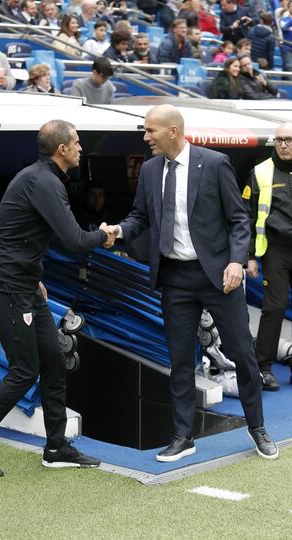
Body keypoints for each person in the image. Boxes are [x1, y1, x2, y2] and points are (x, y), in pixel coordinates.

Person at [105, 104, 279, 462]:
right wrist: (119, 230)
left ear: (173, 131)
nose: (145, 137)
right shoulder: (151, 170)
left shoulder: (214, 163)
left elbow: (239, 219)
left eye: (150, 130)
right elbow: (140, 216)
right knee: (180, 360)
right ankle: (183, 436)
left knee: (243, 356)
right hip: (175, 278)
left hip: (217, 276)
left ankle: (257, 427)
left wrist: (235, 260)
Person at [0, 119, 114, 478]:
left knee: (53, 362)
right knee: (25, 370)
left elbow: (20, 235)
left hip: (24, 285)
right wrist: (103, 235)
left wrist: (32, 275)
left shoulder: (41, 178)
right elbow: (72, 241)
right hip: (9, 290)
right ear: (62, 149)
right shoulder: (44, 182)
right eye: (77, 142)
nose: (81, 148)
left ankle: (56, 447)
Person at [244, 122, 292, 391]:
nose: (284, 144)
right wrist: (249, 256)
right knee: (274, 307)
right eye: (279, 140)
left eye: (288, 140)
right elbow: (247, 216)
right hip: (275, 249)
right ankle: (263, 367)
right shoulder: (260, 172)